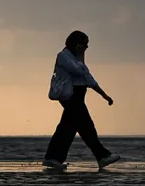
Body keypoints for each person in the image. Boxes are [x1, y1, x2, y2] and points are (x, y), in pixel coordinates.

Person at [43, 30, 120, 170]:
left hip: (78, 96)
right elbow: (78, 70)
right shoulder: (64, 56)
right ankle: (102, 156)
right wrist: (81, 56)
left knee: (67, 128)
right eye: (85, 44)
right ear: (77, 44)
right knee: (87, 126)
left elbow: (89, 79)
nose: (87, 47)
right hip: (70, 97)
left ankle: (52, 158)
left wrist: (104, 95)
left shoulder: (76, 58)